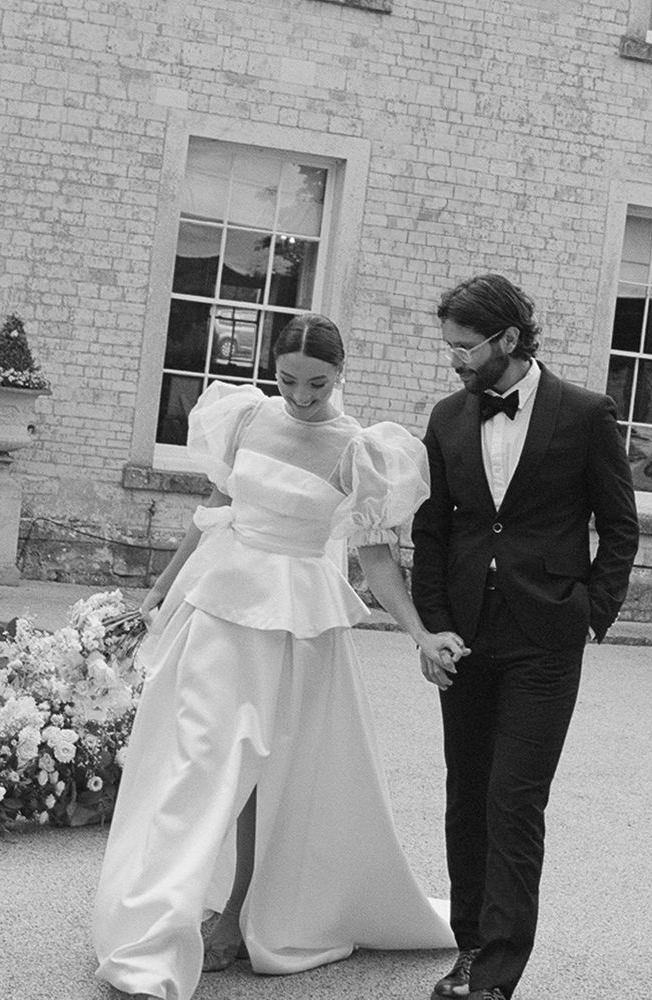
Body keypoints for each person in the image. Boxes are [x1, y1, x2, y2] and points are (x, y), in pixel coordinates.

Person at [93, 313, 467, 1000]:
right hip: (220, 611)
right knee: (198, 758)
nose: (300, 395)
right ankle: (161, 922)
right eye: (288, 379)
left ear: (340, 373)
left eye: (317, 383)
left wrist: (419, 632)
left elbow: (377, 558)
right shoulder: (244, 417)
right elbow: (213, 512)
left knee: (274, 772)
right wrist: (155, 594)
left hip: (296, 626)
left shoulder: (360, 450)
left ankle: (238, 916)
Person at [411, 274, 639, 1000]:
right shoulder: (447, 418)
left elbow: (621, 525)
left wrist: (590, 614)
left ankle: (496, 974)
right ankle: (471, 947)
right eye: (448, 345)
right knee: (467, 796)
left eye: (465, 346)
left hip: (547, 637)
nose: (454, 360)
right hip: (466, 636)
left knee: (514, 799)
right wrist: (432, 628)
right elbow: (433, 530)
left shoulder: (584, 413)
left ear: (509, 339)